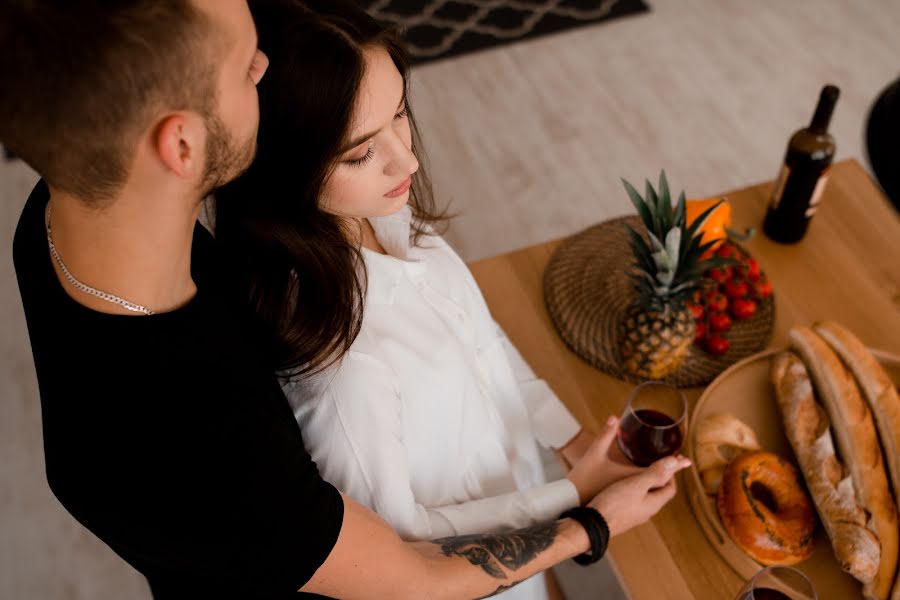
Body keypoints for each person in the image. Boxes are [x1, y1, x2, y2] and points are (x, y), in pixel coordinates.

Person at [1, 1, 690, 598]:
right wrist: (588, 520)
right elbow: (411, 576)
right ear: (181, 143)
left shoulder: (66, 207)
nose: (266, 69)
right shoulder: (211, 439)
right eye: (246, 66)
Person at [215, 3, 660, 598]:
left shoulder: (386, 219)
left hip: (525, 502)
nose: (409, 159)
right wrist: (575, 499)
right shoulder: (345, 370)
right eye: (359, 153)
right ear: (284, 167)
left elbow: (480, 336)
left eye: (399, 114)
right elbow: (398, 540)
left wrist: (571, 443)